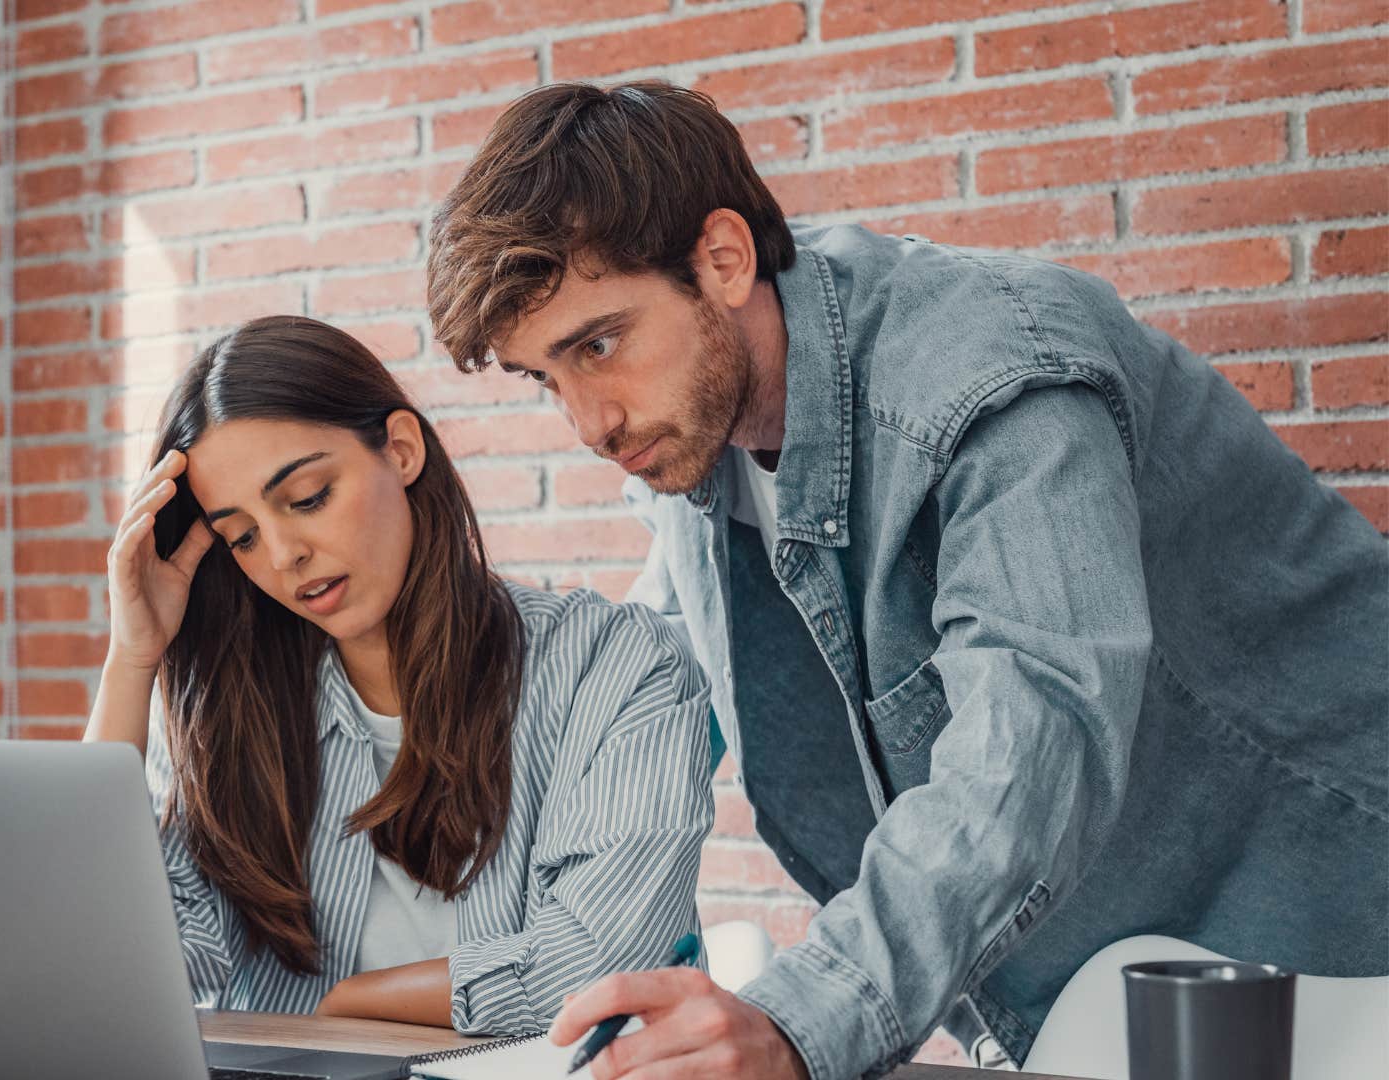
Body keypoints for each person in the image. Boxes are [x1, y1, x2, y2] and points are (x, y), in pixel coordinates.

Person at [425, 80, 1389, 1078]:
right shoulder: (694, 437)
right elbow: (650, 697)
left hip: (1337, 928)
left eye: (598, 344)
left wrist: (799, 1019)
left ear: (722, 258)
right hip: (1115, 984)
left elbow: (1036, 725)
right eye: (548, 377)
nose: (590, 425)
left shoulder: (988, 370)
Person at [81, 314, 716, 1035]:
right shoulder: (229, 712)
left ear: (402, 450)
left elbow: (603, 964)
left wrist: (355, 1003)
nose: (284, 554)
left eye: (309, 497)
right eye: (243, 536)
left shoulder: (616, 670)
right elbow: (111, 964)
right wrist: (132, 660)